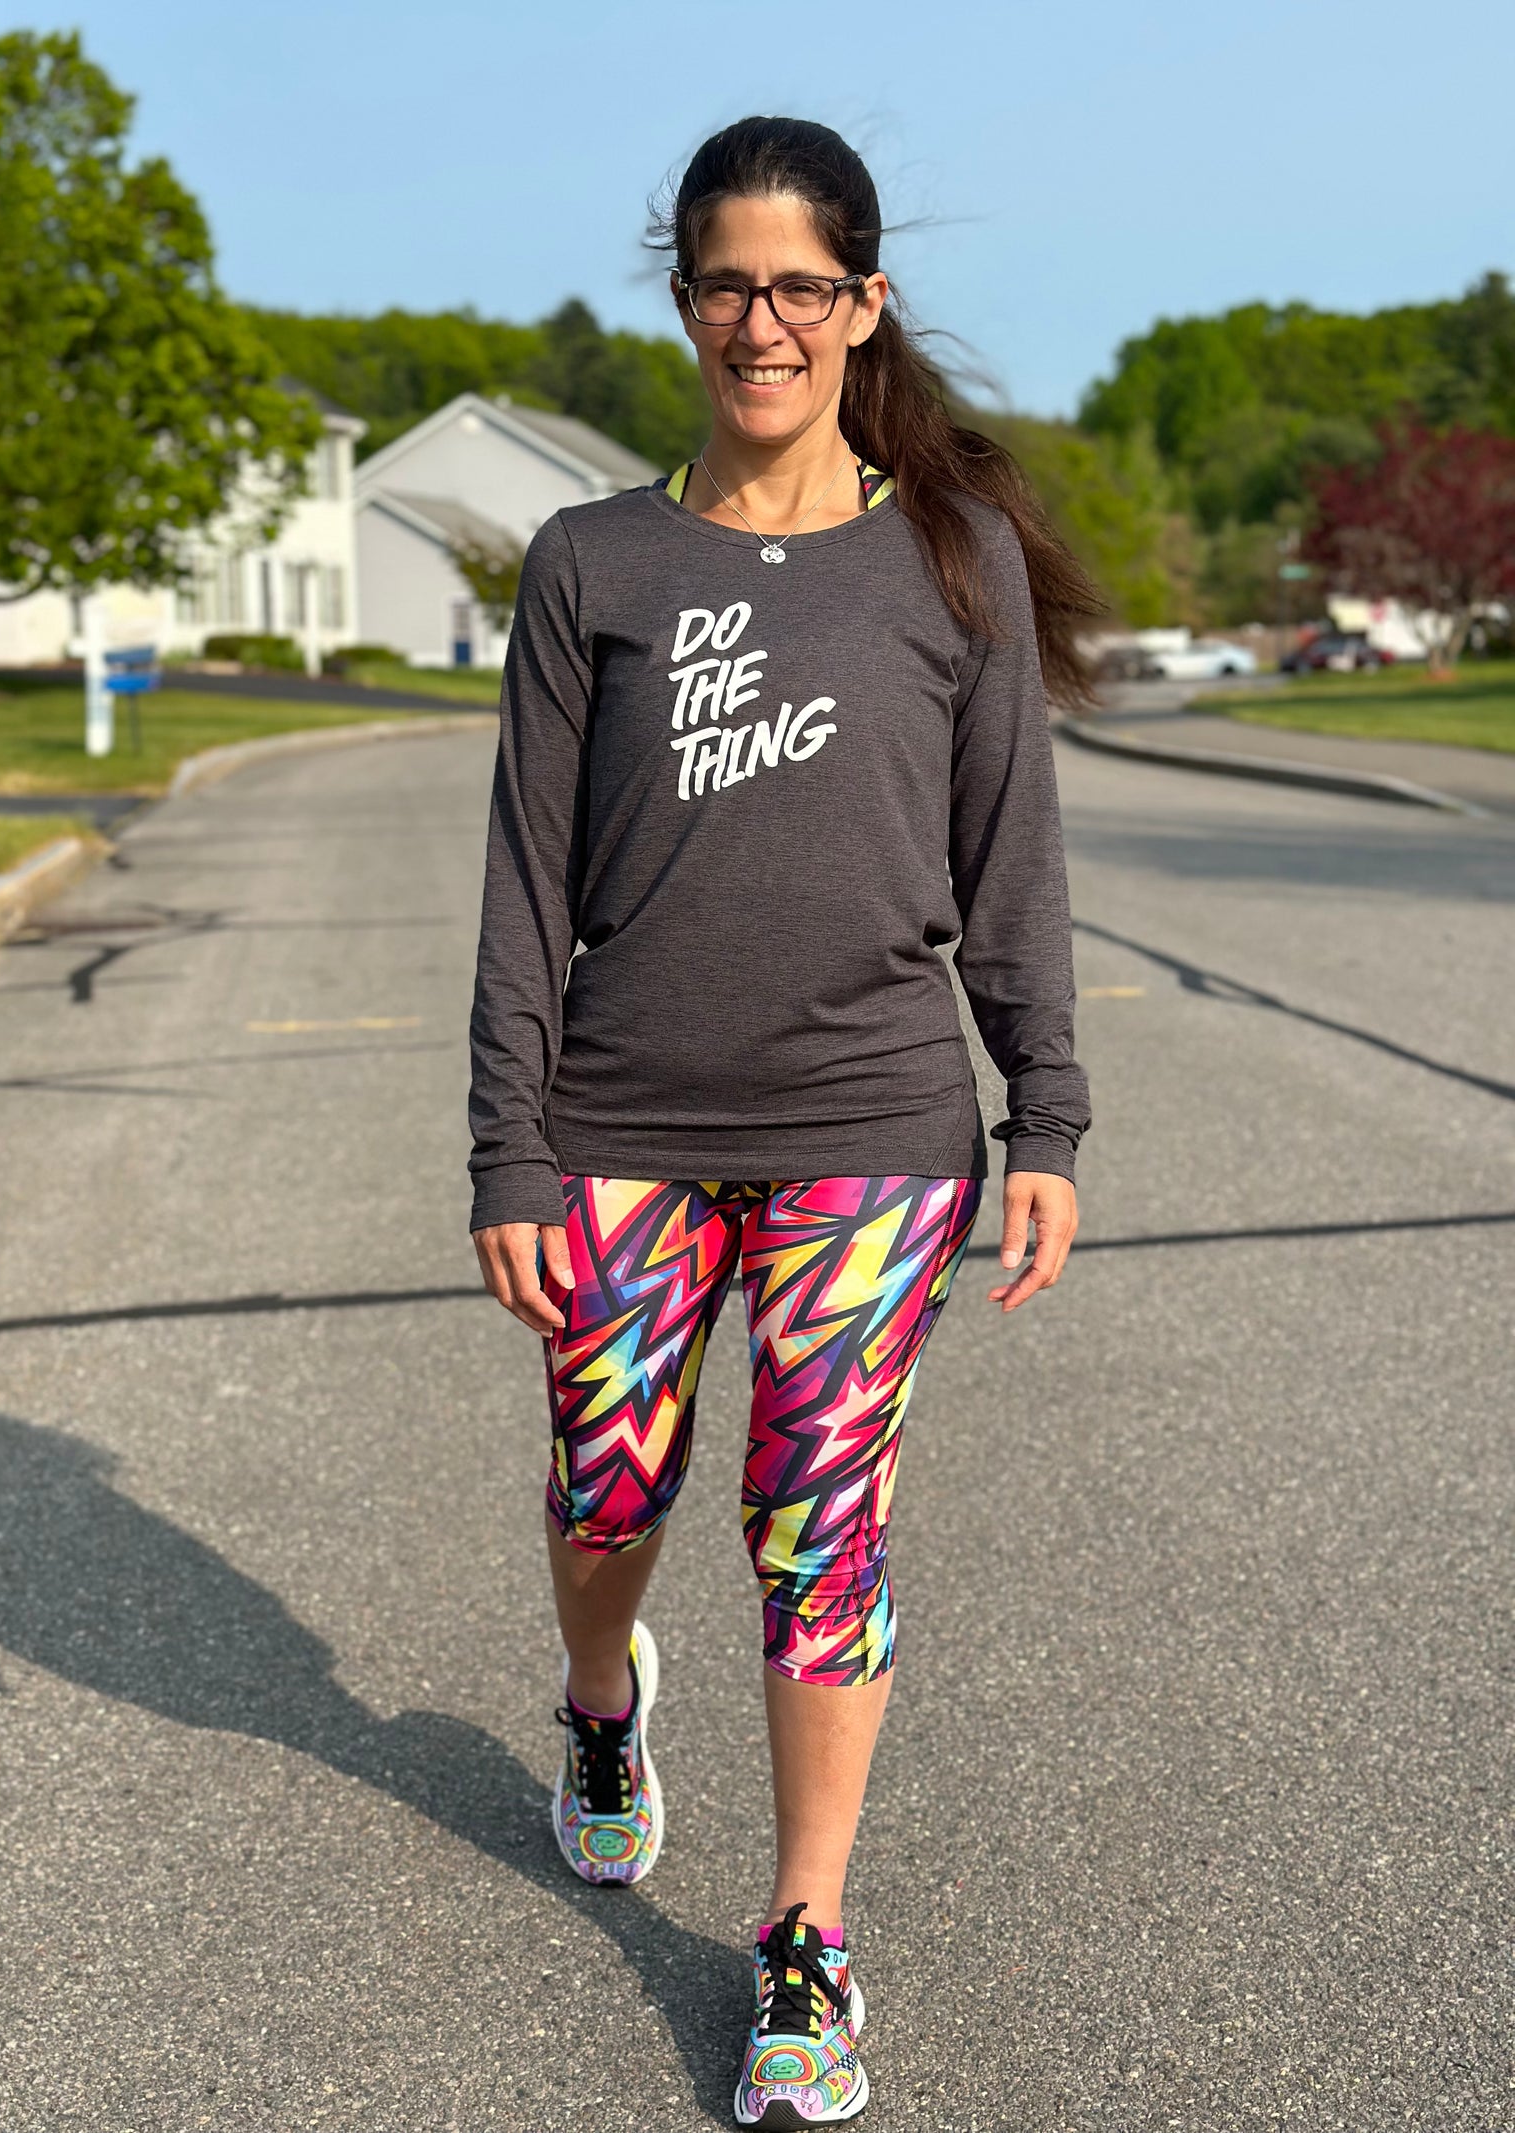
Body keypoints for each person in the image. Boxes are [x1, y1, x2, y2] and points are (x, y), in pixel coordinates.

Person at [468, 114, 1097, 2129]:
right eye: (725, 282)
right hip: (625, 1117)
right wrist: (507, 1146)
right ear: (684, 302)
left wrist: (1047, 1114)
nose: (760, 319)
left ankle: (804, 1935)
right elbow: (519, 888)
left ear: (861, 305)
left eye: (797, 285)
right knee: (607, 1490)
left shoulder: (945, 555)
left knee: (817, 1517)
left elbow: (1008, 866)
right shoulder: (593, 563)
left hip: (872, 1122)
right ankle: (595, 1706)